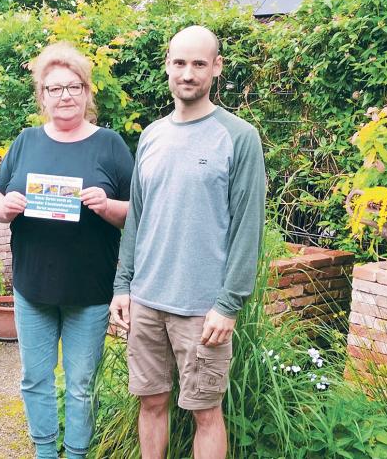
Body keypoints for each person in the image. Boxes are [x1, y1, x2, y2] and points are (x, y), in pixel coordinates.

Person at [110, 26, 266, 459]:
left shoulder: (239, 137)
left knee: (205, 412)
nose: (188, 73)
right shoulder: (152, 135)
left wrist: (229, 303)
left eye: (199, 63)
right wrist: (123, 286)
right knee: (151, 401)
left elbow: (247, 227)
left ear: (216, 68)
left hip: (203, 310)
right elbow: (137, 218)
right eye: (180, 63)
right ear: (167, 66)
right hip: (146, 300)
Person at [0, 42, 134, 459]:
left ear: (87, 92)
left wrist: (107, 207)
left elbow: (136, 215)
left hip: (89, 290)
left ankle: (76, 453)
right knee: (34, 378)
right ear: (42, 96)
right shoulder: (26, 141)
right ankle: (45, 452)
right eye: (54, 89)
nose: (65, 95)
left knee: (82, 382)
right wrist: (6, 208)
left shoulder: (110, 145)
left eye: (73, 86)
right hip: (32, 287)